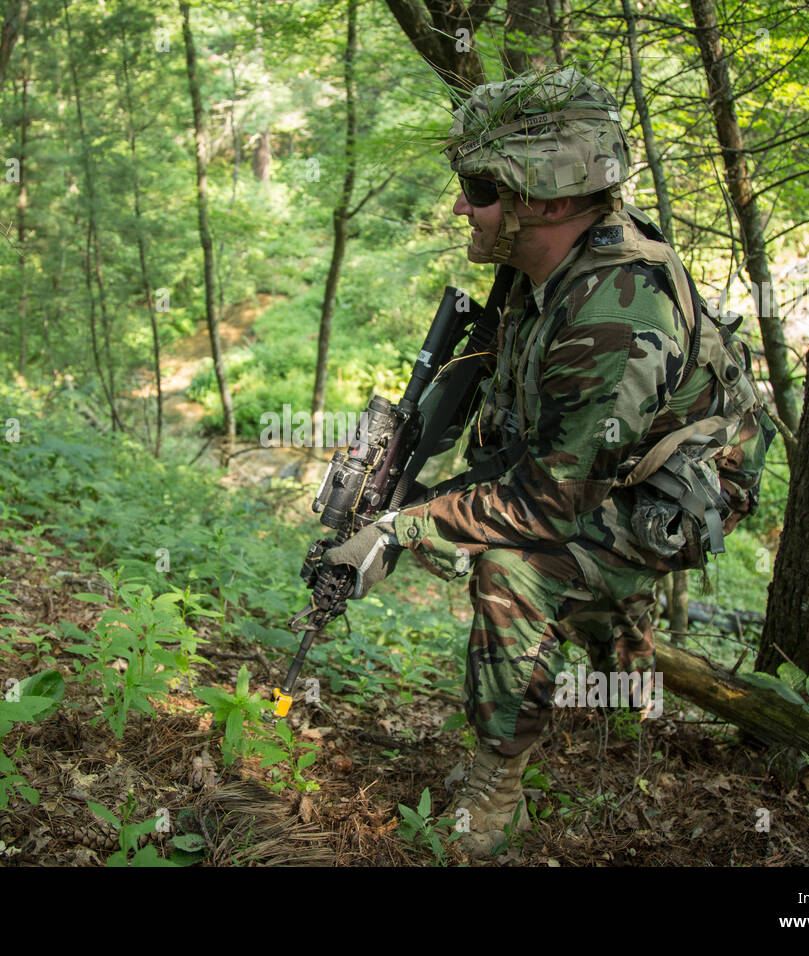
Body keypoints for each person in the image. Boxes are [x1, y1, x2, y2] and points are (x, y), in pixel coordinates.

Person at [321, 68, 771, 858]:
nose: (462, 205)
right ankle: (623, 676)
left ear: (551, 199)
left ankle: (495, 790)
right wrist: (401, 497)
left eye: (480, 187)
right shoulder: (536, 270)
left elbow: (545, 505)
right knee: (484, 526)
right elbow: (520, 444)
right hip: (594, 467)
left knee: (514, 570)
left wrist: (401, 530)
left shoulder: (611, 314)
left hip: (681, 491)